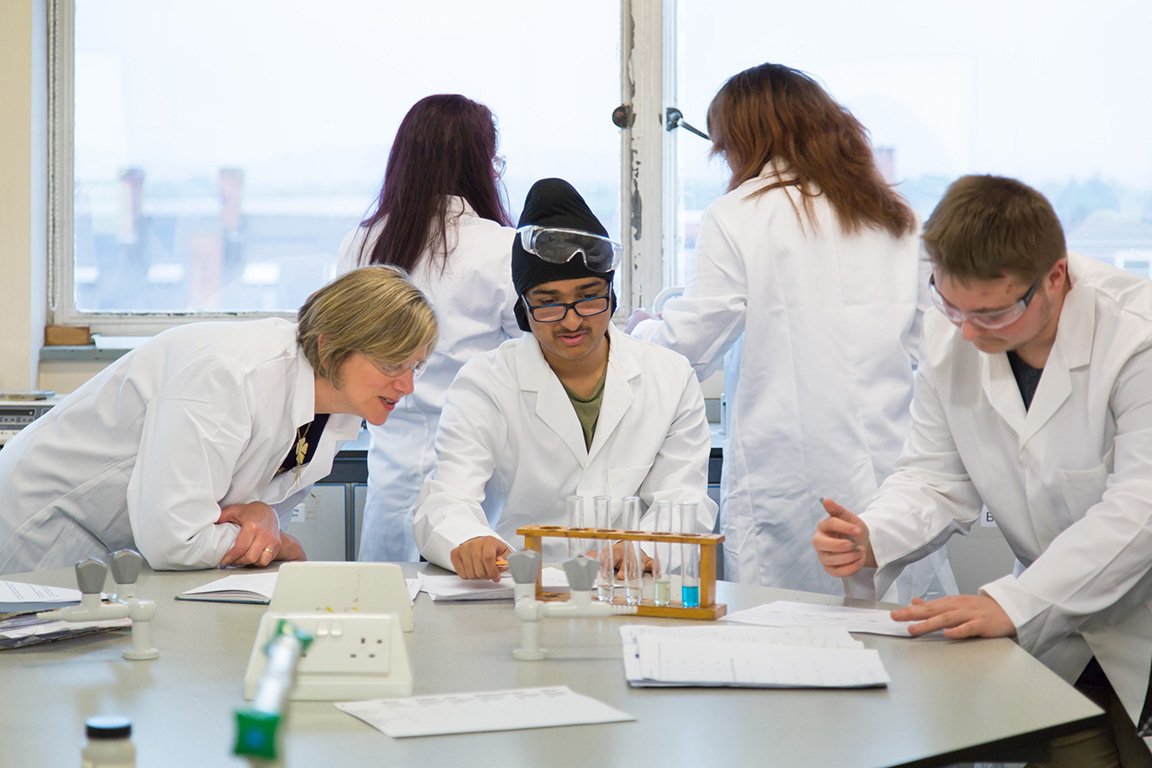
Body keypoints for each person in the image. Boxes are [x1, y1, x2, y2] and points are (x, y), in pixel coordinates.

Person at [813, 175, 1152, 766]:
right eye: (951, 305)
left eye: (992, 313)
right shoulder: (952, 334)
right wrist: (874, 534)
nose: (967, 332)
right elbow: (934, 476)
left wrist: (1017, 602)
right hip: (1060, 640)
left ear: (1055, 277)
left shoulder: (1135, 335)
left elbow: (1140, 508)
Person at [628, 62, 953, 599]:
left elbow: (690, 346)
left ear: (743, 139)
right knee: (891, 627)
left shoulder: (737, 215)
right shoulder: (895, 218)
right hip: (889, 466)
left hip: (787, 477)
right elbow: (940, 350)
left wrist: (641, 335)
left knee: (783, 626)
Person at [0, 266, 438, 575]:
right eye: (391, 364)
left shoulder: (335, 410)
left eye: (415, 366)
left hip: (118, 543)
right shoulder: (231, 374)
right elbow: (176, 539)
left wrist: (264, 519)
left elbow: (243, 513)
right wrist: (274, 540)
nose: (407, 386)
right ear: (329, 347)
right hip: (46, 523)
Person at [413, 177, 717, 581]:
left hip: (629, 584)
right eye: (549, 303)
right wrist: (468, 537)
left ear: (611, 296)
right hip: (522, 584)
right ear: (523, 309)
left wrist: (644, 547)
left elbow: (684, 498)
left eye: (588, 297)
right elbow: (448, 497)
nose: (572, 321)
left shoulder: (670, 376)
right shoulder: (485, 382)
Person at [337, 93, 519, 563]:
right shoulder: (501, 248)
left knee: (386, 597)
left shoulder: (362, 242)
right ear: (480, 164)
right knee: (466, 593)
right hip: (472, 463)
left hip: (389, 457)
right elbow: (530, 356)